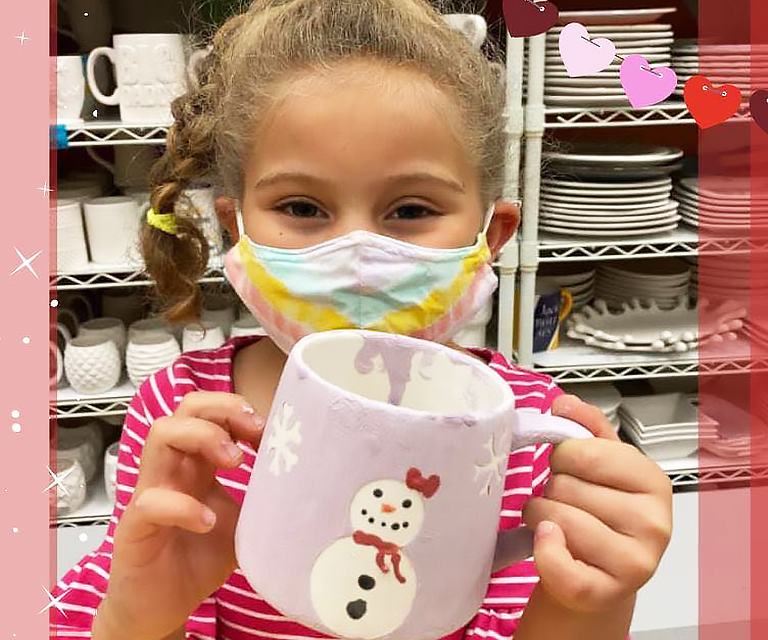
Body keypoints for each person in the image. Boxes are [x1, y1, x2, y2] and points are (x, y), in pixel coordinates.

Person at [51, 1, 673, 638]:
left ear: (491, 236)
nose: (359, 260)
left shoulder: (526, 433)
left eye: (411, 210)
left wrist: (588, 600)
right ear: (237, 228)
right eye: (302, 207)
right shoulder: (185, 416)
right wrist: (138, 617)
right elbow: (129, 598)